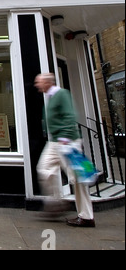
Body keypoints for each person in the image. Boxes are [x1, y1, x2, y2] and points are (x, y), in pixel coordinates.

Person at [34, 73, 95, 227]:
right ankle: (56, 203)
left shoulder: (62, 94)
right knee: (44, 168)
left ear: (47, 82)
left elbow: (69, 115)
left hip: (67, 141)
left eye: (39, 82)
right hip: (54, 142)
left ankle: (87, 217)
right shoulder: (50, 97)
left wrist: (65, 137)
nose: (36, 84)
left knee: (77, 179)